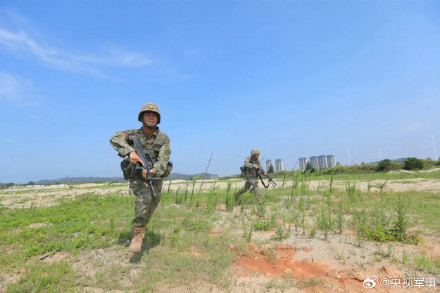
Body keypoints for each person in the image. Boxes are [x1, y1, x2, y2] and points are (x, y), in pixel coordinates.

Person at [110, 103, 171, 253]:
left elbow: (163, 160)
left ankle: (140, 226)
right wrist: (130, 151)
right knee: (145, 197)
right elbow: (114, 138)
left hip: (154, 176)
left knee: (153, 202)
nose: (151, 117)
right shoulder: (133, 134)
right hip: (137, 175)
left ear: (158, 119)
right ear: (142, 118)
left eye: (154, 115)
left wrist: (153, 170)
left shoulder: (163, 139)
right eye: (147, 115)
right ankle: (138, 235)